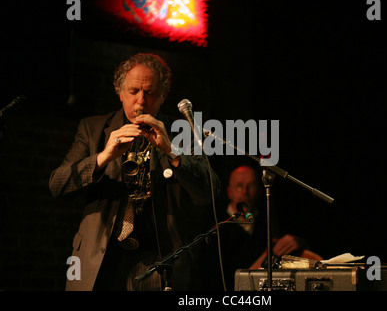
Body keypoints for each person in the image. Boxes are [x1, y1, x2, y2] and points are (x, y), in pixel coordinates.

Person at [49, 53, 220, 291]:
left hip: (157, 264)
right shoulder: (92, 128)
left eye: (150, 93)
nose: (141, 101)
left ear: (162, 96)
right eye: (133, 91)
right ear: (120, 93)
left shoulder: (181, 133)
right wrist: (103, 156)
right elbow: (58, 185)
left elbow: (208, 193)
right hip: (96, 260)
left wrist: (171, 150)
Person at [218, 165, 323, 290]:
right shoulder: (217, 227)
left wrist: (298, 243)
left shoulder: (270, 219)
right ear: (229, 192)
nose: (245, 191)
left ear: (259, 190)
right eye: (239, 186)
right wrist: (268, 254)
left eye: (251, 185)